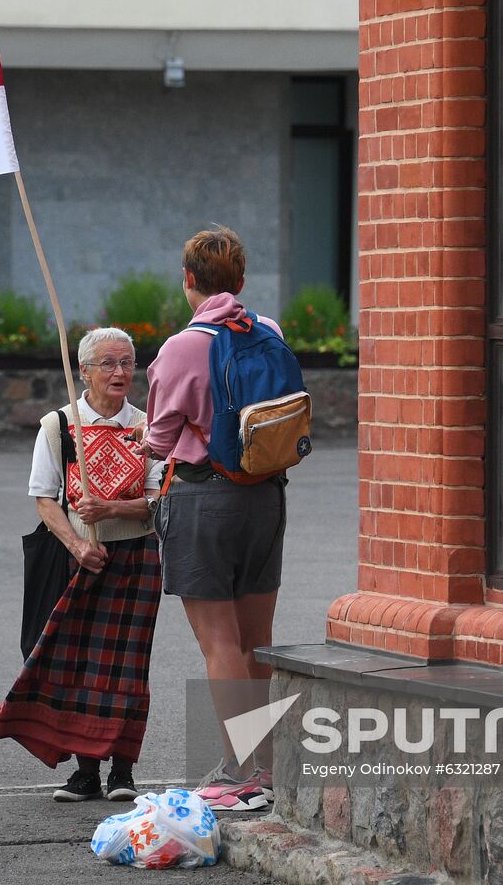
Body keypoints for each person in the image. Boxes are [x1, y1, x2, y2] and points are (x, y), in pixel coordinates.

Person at [144, 226, 286, 813]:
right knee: (257, 640)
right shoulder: (268, 331)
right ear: (241, 281)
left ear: (188, 280)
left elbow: (159, 440)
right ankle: (267, 766)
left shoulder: (181, 348)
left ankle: (237, 771)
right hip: (266, 495)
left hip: (204, 499)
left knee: (219, 641)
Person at [0, 327, 163, 803]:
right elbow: (44, 498)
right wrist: (77, 544)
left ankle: (122, 772)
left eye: (127, 362)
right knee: (80, 665)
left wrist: (112, 509)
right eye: (108, 363)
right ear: (83, 371)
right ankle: (85, 773)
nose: (120, 372)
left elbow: (158, 500)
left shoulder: (149, 427)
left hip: (136, 558)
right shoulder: (59, 426)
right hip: (79, 558)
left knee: (128, 668)